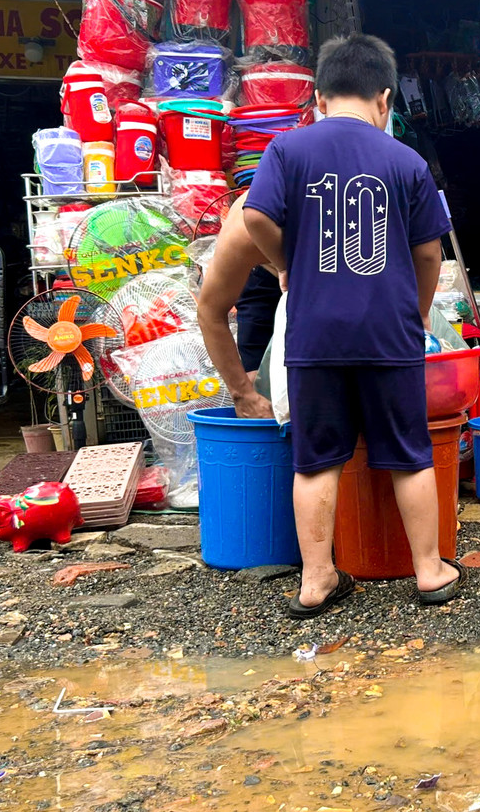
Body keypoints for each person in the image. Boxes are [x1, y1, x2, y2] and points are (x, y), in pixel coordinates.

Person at [243, 33, 463, 618]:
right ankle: (429, 571)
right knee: (410, 454)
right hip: (388, 334)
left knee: (316, 458)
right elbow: (429, 255)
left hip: (314, 335)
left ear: (317, 95)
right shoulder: (406, 161)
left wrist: (285, 262)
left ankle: (316, 580)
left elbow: (255, 216)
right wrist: (416, 313)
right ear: (385, 98)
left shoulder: (287, 151)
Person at [197, 192, 279, 421]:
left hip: (336, 283)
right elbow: (209, 313)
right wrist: (243, 394)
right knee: (260, 386)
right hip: (265, 278)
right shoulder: (245, 232)